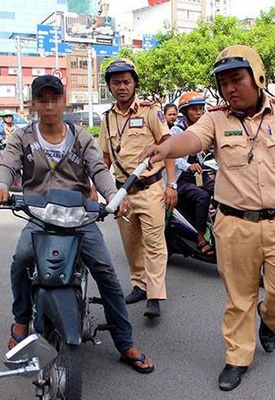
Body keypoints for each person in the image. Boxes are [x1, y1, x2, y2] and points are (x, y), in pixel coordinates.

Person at [139, 45, 275, 391]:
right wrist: (165, 149)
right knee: (239, 297)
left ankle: (270, 320)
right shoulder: (216, 118)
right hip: (234, 223)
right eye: (223, 83)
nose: (229, 89)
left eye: (236, 79)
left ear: (258, 76)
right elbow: (191, 139)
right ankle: (237, 358)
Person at [0, 75, 155, 373]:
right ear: (34, 104)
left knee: (108, 275)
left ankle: (125, 342)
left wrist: (114, 196)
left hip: (80, 218)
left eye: (55, 99)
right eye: (43, 100)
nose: (49, 105)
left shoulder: (81, 137)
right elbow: (6, 165)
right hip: (39, 217)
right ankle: (21, 319)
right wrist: (0, 184)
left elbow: (99, 169)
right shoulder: (22, 137)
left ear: (64, 102)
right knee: (21, 261)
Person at [98, 58, 178, 319]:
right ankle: (139, 286)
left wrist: (171, 184)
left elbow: (168, 146)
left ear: (134, 84)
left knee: (155, 243)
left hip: (151, 188)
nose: (121, 87)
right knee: (132, 244)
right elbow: (105, 159)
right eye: (116, 82)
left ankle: (155, 295)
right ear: (109, 86)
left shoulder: (150, 112)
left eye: (126, 82)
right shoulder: (107, 119)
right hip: (122, 193)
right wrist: (93, 186)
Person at [171, 91, 215, 255]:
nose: (199, 112)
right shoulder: (175, 131)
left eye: (201, 108)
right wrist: (187, 165)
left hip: (198, 174)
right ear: (184, 112)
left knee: (222, 191)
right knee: (202, 197)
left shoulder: (202, 130)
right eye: (194, 109)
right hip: (180, 178)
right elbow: (171, 156)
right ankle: (201, 236)